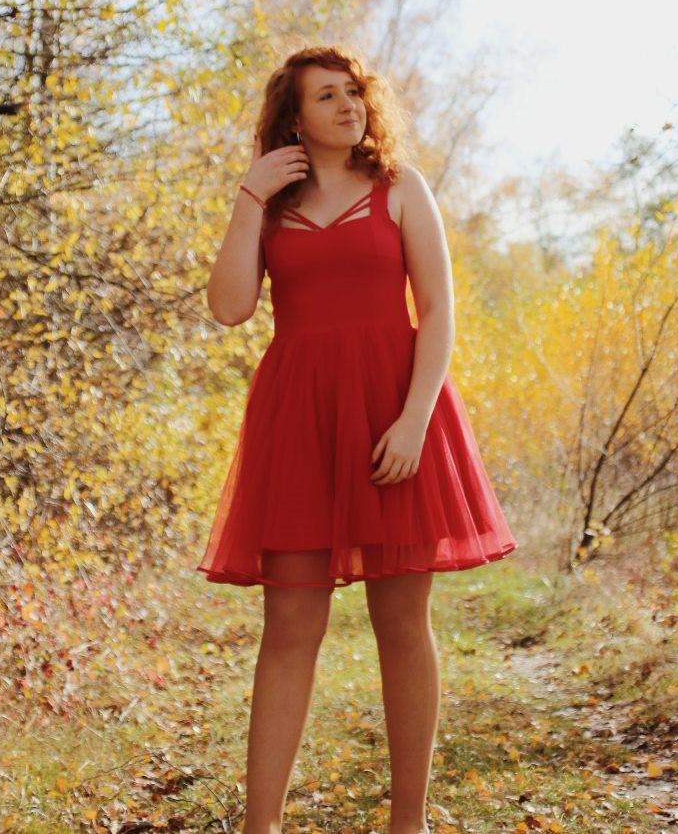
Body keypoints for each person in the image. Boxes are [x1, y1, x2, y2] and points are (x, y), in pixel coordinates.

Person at [196, 45, 518, 834]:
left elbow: (437, 312)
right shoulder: (271, 204)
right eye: (327, 96)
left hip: (394, 417)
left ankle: (408, 821)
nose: (348, 106)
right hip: (299, 425)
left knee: (402, 624)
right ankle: (260, 826)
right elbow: (230, 308)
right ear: (294, 117)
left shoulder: (401, 187)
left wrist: (414, 419)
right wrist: (249, 195)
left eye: (354, 92)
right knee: (288, 629)